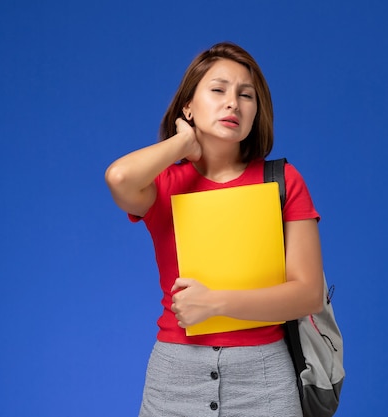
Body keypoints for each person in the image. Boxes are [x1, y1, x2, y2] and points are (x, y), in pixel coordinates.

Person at [105, 41, 324, 417]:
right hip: (175, 375)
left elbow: (308, 295)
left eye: (246, 95)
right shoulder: (165, 184)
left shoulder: (282, 181)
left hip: (264, 378)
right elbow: (119, 177)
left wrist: (215, 303)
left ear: (257, 111)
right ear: (188, 105)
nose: (233, 104)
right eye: (218, 90)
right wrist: (182, 143)